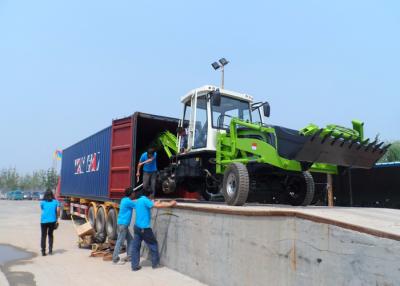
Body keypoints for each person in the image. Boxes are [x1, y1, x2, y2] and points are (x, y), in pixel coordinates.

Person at [131, 189, 177, 271]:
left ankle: (134, 266)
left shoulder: (139, 200)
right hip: (144, 228)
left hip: (137, 227)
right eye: (151, 195)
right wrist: (170, 204)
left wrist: (156, 202)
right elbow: (157, 206)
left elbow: (153, 204)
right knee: (153, 244)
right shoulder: (145, 200)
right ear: (149, 195)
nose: (152, 196)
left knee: (136, 247)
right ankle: (155, 264)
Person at [112, 187, 136, 265]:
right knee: (120, 241)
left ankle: (129, 256)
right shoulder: (128, 202)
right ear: (131, 194)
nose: (134, 194)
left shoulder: (124, 200)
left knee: (130, 240)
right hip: (123, 224)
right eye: (133, 192)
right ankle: (115, 259)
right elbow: (137, 205)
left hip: (121, 223)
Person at [40, 189, 60, 256]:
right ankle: (50, 251)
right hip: (52, 221)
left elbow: (42, 209)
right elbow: (57, 211)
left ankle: (43, 251)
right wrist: (57, 219)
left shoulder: (42, 202)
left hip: (44, 221)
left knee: (43, 236)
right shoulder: (56, 202)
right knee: (50, 235)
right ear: (52, 194)